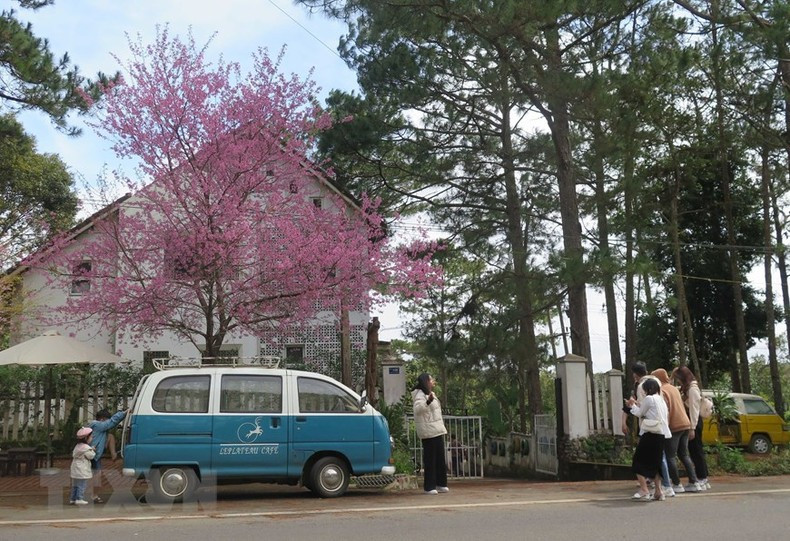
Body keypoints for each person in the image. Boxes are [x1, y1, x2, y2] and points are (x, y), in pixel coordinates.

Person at [622, 362, 673, 497]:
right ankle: (659, 491)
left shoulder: (649, 399)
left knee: (638, 461)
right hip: (661, 433)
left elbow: (640, 413)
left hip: (650, 433)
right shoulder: (661, 400)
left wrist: (632, 405)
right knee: (656, 463)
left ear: (647, 389)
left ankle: (644, 489)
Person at [652, 369, 703, 493]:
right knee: (684, 454)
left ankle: (677, 484)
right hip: (685, 423)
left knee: (670, 456)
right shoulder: (674, 388)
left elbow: (666, 410)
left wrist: (664, 428)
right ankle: (694, 482)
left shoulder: (662, 391)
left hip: (674, 426)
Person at [673, 366, 711, 491]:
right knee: (695, 450)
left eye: (678, 378)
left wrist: (692, 428)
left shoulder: (692, 389)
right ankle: (703, 477)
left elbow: (694, 410)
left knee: (696, 450)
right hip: (692, 422)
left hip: (694, 422)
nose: (678, 381)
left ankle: (702, 477)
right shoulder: (688, 387)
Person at [412, 373, 449, 495]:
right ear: (426, 381)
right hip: (428, 431)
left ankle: (441, 483)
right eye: (431, 379)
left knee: (440, 459)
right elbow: (418, 410)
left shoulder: (430, 393)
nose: (433, 381)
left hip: (437, 429)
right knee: (430, 460)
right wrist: (428, 402)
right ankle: (429, 487)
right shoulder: (419, 395)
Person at [88, 408, 127, 503]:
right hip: (91, 453)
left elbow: (111, 424)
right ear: (102, 419)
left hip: (94, 453)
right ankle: (93, 496)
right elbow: (112, 422)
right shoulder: (97, 425)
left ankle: (113, 455)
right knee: (96, 475)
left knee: (110, 436)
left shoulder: (99, 428)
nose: (108, 422)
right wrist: (124, 413)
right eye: (107, 420)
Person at [70, 427, 96, 505]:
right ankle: (79, 498)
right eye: (91, 436)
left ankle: (73, 498)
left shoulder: (78, 446)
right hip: (82, 468)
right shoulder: (86, 448)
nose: (92, 438)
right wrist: (92, 450)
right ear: (86, 438)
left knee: (75, 484)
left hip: (75, 467)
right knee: (82, 484)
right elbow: (91, 456)